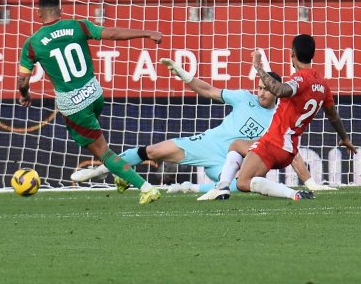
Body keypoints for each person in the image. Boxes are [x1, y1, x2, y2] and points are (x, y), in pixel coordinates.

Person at [72, 58, 332, 194]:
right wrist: (183, 74)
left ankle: (192, 188)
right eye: (260, 87)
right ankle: (99, 171)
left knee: (238, 185)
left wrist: (309, 181)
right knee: (151, 151)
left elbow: (291, 150)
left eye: (265, 90)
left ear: (276, 92)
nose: (260, 92)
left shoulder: (278, 116)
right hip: (206, 143)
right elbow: (208, 90)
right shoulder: (244, 97)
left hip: (227, 161)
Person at [16, 0, 164, 205]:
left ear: (38, 13)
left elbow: (23, 80)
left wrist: (25, 95)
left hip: (74, 105)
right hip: (95, 94)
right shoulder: (79, 26)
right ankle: (122, 174)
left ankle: (147, 188)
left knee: (102, 152)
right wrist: (147, 33)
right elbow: (111, 34)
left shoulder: (33, 43)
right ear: (61, 10)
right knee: (101, 144)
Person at [197, 36, 356, 201]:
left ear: (292, 53)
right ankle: (222, 188)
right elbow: (333, 115)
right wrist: (344, 138)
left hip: (274, 143)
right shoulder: (322, 84)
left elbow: (280, 90)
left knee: (243, 182)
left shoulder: (300, 79)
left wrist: (258, 67)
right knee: (237, 145)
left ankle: (294, 194)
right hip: (289, 149)